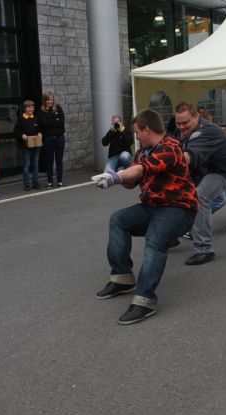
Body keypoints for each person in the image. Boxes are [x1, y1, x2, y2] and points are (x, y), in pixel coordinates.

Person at [91, 109, 198, 325]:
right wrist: (117, 177)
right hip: (152, 207)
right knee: (118, 219)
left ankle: (145, 299)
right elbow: (133, 179)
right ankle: (122, 277)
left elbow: (143, 169)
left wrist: (116, 177)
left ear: (147, 130)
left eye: (137, 132)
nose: (136, 136)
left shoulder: (172, 148)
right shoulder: (142, 152)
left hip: (178, 209)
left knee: (155, 239)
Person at [175, 102, 226, 266]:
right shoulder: (189, 130)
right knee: (180, 197)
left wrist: (159, 163)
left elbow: (188, 156)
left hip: (223, 172)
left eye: (185, 123)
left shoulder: (207, 132)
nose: (181, 127)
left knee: (199, 197)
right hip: (205, 169)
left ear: (196, 117)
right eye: (178, 123)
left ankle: (204, 249)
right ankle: (170, 237)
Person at [37, 91, 65, 187]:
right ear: (44, 101)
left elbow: (61, 123)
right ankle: (50, 181)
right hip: (48, 138)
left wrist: (50, 120)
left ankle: (60, 180)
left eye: (51, 99)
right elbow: (43, 124)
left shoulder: (58, 108)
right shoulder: (41, 111)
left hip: (59, 138)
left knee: (59, 160)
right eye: (48, 99)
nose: (50, 101)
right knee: (49, 160)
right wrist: (54, 118)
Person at [16, 100, 41, 191]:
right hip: (25, 146)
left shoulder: (36, 118)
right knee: (27, 165)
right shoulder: (21, 119)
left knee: (35, 164)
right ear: (25, 108)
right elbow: (16, 130)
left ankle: (35, 182)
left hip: (36, 145)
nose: (31, 109)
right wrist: (22, 135)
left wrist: (40, 133)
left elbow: (40, 128)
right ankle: (27, 184)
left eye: (32, 107)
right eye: (29, 107)